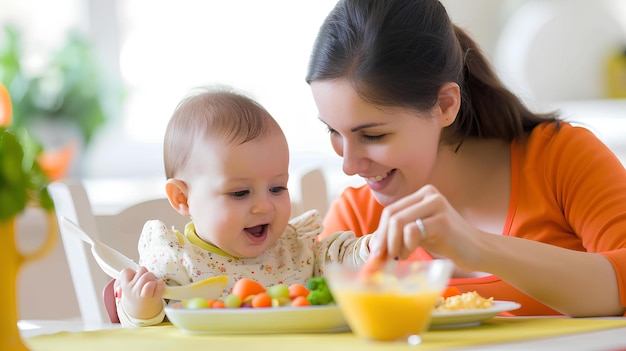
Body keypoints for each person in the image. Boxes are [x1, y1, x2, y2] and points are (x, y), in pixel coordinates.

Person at [306, 0, 626, 317]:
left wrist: (478, 247)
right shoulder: (357, 221)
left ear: (445, 105)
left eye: (373, 136)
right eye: (333, 132)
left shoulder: (559, 157)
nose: (349, 165)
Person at [114, 87, 371, 327]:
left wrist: (369, 249)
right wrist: (141, 305)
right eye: (239, 193)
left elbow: (336, 261)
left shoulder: (294, 250)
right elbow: (145, 330)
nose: (263, 206)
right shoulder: (174, 263)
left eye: (277, 188)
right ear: (182, 198)